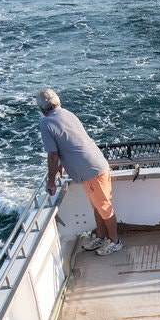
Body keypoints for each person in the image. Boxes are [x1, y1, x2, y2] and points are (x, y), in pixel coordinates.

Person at [37, 88, 120, 256]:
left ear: (42, 109)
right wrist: (61, 164)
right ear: (57, 102)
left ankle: (115, 241)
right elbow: (68, 141)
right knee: (97, 206)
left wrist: (51, 181)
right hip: (91, 167)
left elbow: (52, 154)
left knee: (104, 207)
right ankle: (102, 236)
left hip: (92, 170)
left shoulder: (46, 124)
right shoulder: (68, 113)